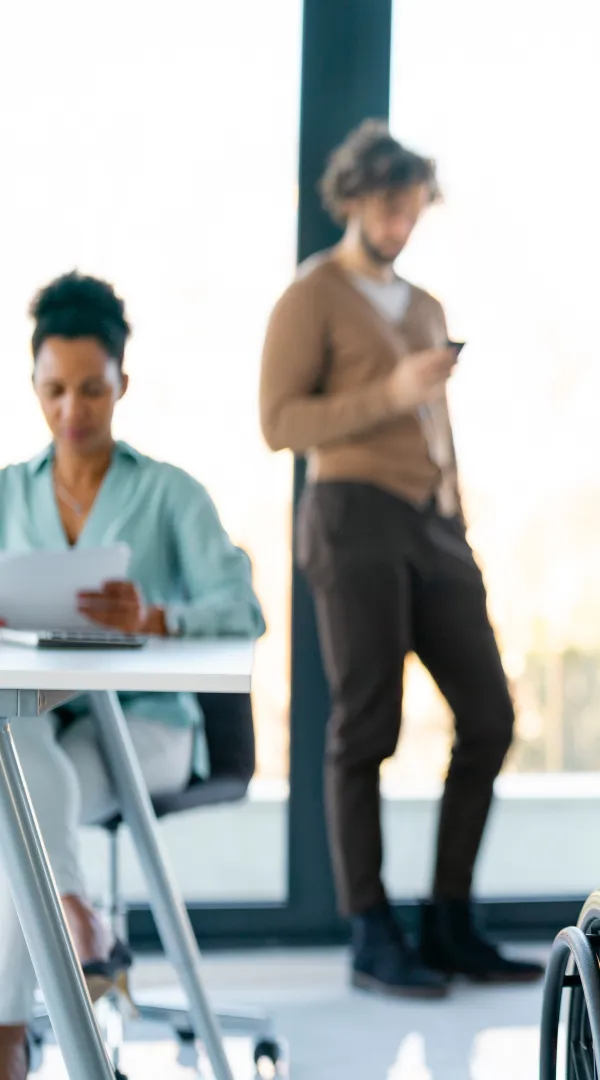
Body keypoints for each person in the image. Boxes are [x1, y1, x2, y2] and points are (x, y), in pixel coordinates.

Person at [258, 120, 537, 996]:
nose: (400, 225)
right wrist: (388, 391)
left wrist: (452, 503)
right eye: (388, 207)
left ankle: (448, 918)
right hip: (350, 514)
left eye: (413, 210)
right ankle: (370, 931)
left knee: (489, 715)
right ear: (353, 199)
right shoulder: (313, 297)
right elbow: (279, 425)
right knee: (366, 725)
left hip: (432, 522)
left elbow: (435, 420)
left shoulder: (423, 306)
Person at [0, 273, 266, 1079]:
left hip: (147, 730)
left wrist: (155, 617)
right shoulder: (8, 492)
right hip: (44, 729)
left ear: (123, 384)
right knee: (13, 790)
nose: (71, 412)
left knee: (11, 822)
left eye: (91, 391)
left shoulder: (168, 494)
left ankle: (8, 1045)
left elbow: (241, 606)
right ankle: (80, 919)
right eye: (53, 391)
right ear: (34, 386)